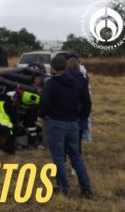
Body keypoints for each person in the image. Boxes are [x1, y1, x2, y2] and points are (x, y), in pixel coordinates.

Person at [38, 56, 92, 198]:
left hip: (56, 124)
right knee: (76, 157)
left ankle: (64, 189)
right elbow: (87, 100)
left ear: (53, 68)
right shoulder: (76, 82)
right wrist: (82, 117)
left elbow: (43, 102)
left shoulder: (51, 84)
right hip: (73, 124)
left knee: (58, 157)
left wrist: (44, 114)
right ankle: (86, 188)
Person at [66, 57, 90, 155]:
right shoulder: (83, 80)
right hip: (78, 115)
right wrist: (83, 116)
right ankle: (75, 166)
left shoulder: (63, 79)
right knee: (77, 142)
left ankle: (62, 164)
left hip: (64, 115)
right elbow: (87, 100)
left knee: (64, 141)